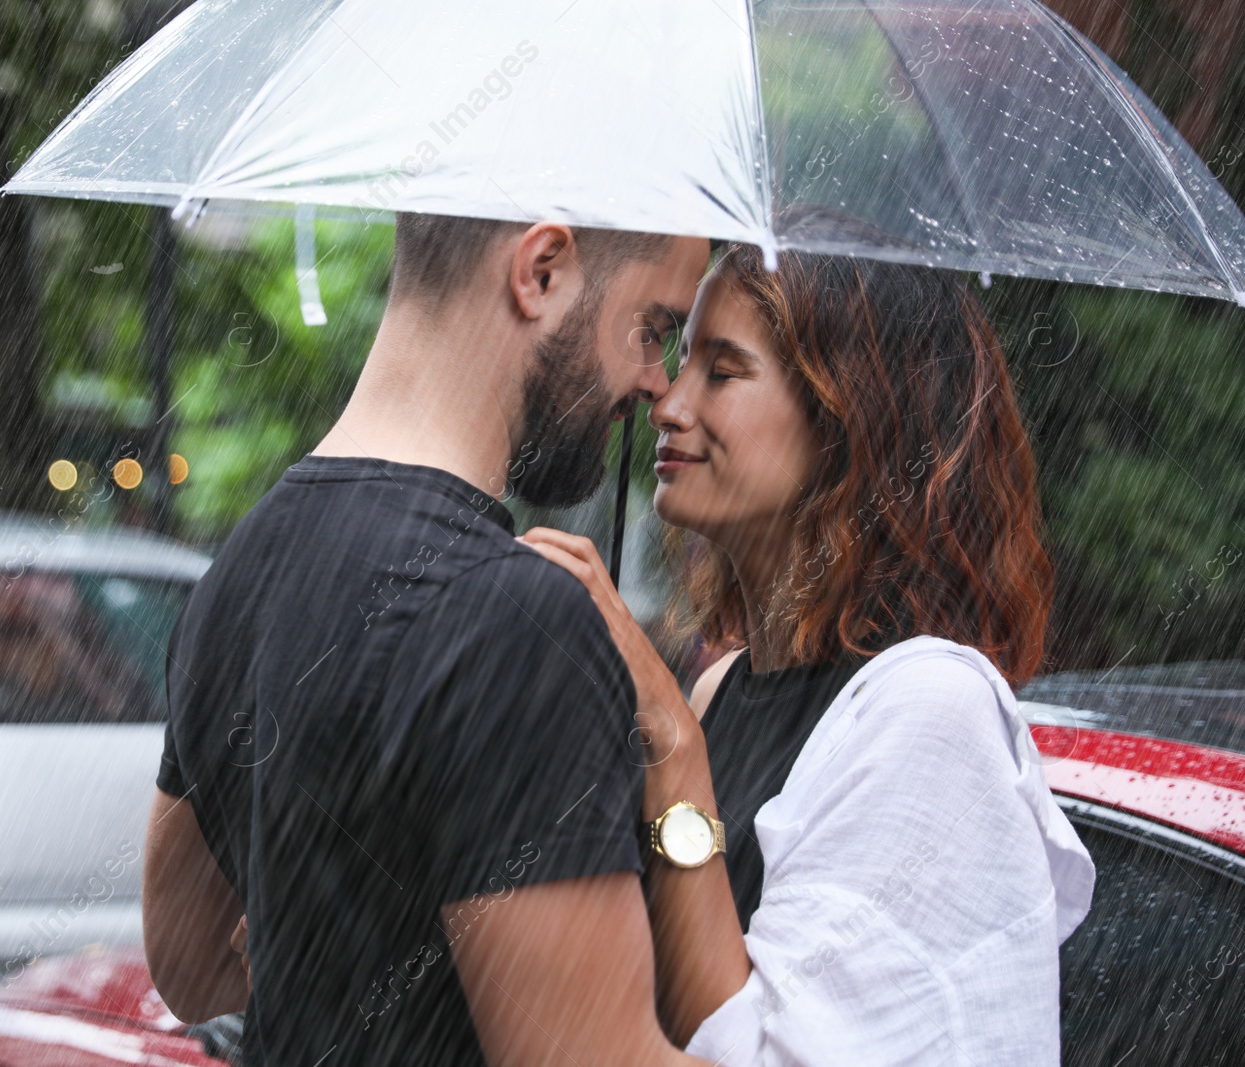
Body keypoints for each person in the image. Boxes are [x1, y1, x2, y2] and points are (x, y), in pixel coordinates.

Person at [141, 213, 742, 1067]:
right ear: (540, 271)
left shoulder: (238, 571)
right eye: (652, 329)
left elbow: (191, 967)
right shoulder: (519, 624)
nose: (658, 383)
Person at [522, 243, 1096, 1065]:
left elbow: (767, 1052)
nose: (668, 404)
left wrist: (675, 752)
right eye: (682, 361)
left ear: (846, 419)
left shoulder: (933, 710)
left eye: (722, 371)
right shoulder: (721, 686)